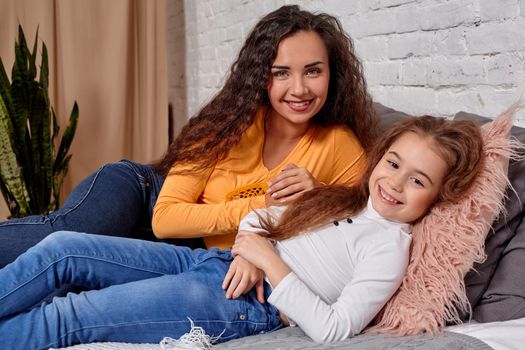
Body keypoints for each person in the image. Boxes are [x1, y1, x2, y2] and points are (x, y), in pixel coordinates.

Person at [0, 115, 486, 349]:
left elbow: (335, 328)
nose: (395, 183)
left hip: (245, 302)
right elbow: (262, 219)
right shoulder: (346, 199)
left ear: (439, 197)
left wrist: (267, 261)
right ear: (380, 157)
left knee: (69, 315)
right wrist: (250, 250)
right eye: (393, 163)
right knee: (64, 250)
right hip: (218, 264)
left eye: (417, 180)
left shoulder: (389, 248)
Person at [0, 5, 377, 268]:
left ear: (333, 74)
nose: (299, 89)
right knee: (63, 234)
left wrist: (319, 198)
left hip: (186, 253)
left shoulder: (341, 147)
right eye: (281, 73)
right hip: (141, 195)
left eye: (313, 71)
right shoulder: (226, 124)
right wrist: (266, 206)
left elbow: (363, 222)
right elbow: (165, 218)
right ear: (261, 76)